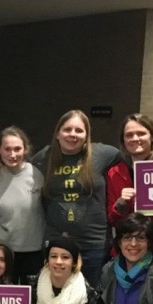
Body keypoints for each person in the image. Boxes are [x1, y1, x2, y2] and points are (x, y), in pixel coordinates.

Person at [30, 110, 123, 287]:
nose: (73, 134)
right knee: (57, 298)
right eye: (67, 129)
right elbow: (18, 166)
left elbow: (136, 159)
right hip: (57, 245)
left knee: (93, 298)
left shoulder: (103, 154)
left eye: (79, 130)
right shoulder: (44, 157)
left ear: (87, 134)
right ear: (58, 133)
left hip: (94, 243)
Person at [105, 113, 153, 257]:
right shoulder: (115, 172)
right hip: (127, 253)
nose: (135, 139)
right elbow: (112, 219)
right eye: (129, 135)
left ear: (152, 136)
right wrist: (121, 204)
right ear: (123, 140)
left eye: (141, 133)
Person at [0, 127, 46, 280]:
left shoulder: (38, 174)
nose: (12, 155)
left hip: (34, 251)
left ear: (25, 149)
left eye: (17, 149)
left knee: (32, 300)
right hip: (3, 252)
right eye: (7, 149)